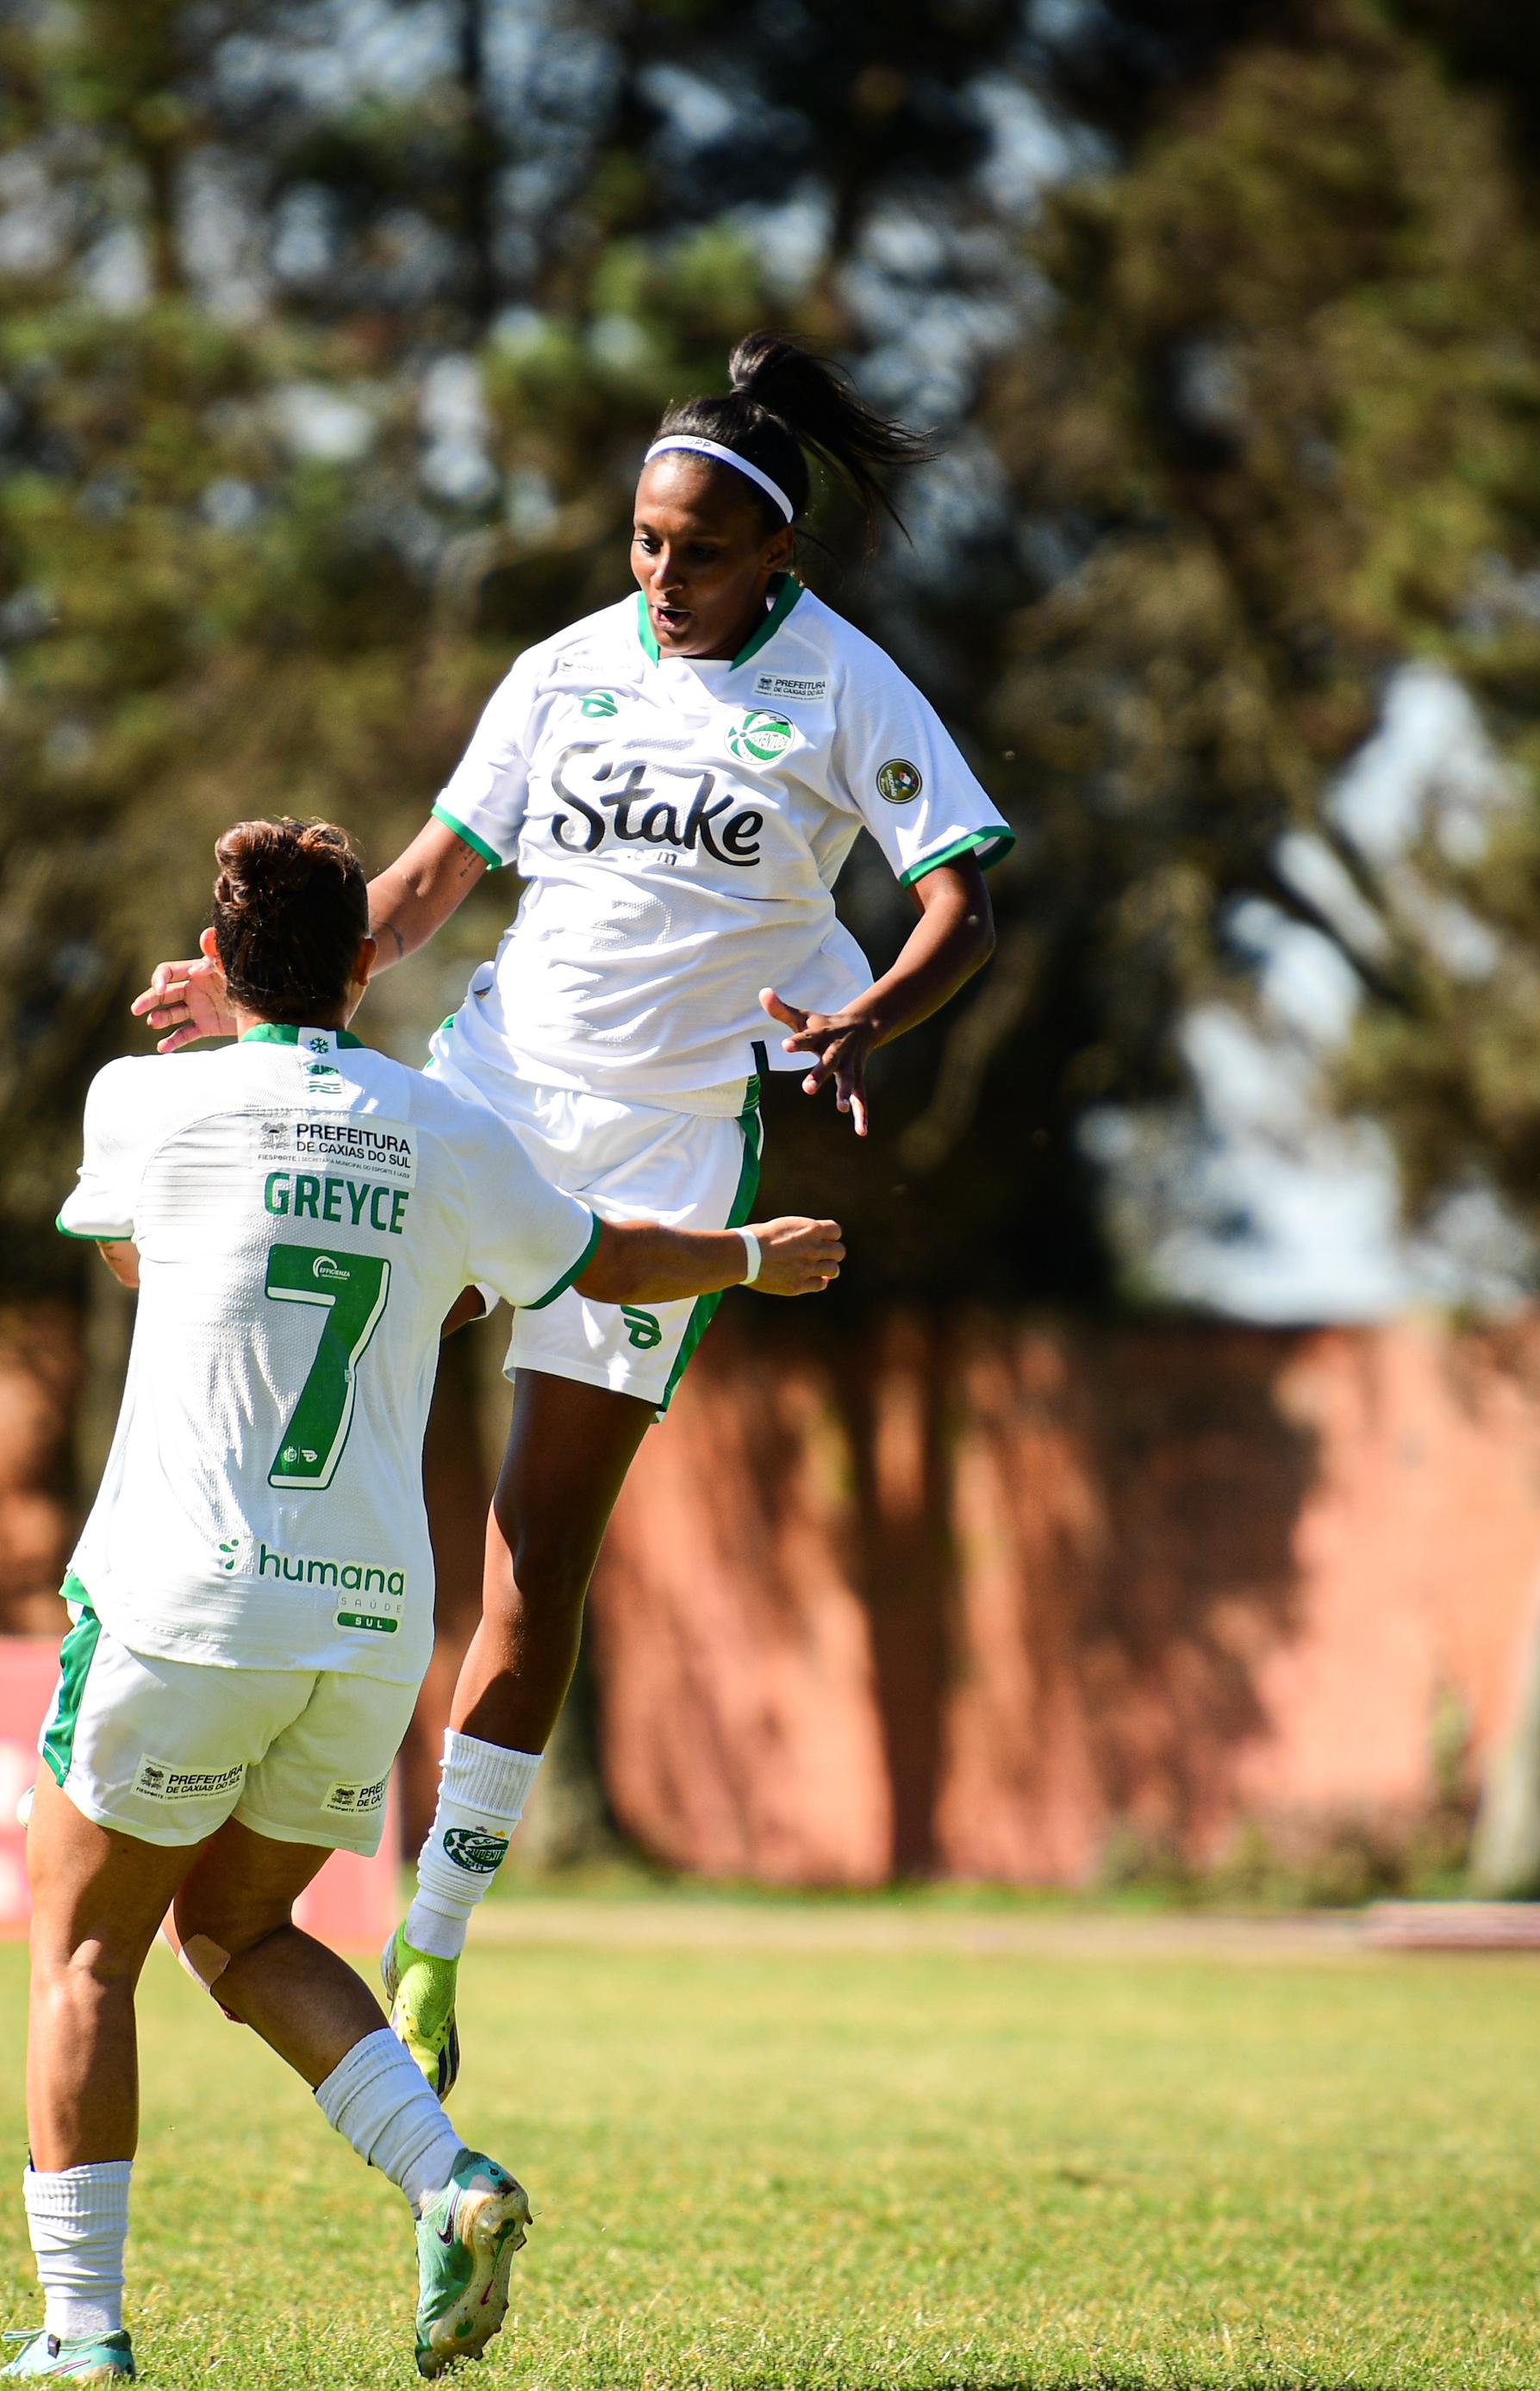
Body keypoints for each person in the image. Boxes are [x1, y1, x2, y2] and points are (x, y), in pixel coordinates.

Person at [131, 334, 1010, 2095]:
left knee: (533, 1573)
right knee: (317, 1348)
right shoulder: (559, 676)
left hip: (677, 1156)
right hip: (496, 1092)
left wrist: (865, 1016)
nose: (660, 576)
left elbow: (960, 905)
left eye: (695, 549)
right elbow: (422, 888)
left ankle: (435, 1935)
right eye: (639, 542)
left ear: (778, 555)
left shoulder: (847, 689)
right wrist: (267, 996)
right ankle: (210, 1686)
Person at [3, 819, 845, 2382]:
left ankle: (79, 2335)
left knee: (83, 1953)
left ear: (221, 956)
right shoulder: (447, 1137)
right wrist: (748, 1250)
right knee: (244, 1928)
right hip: (372, 1623)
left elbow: (135, 1257)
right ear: (367, 960)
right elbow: (601, 1263)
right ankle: (448, 2177)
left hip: (181, 1598)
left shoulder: (145, 1099)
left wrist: (222, 1037)